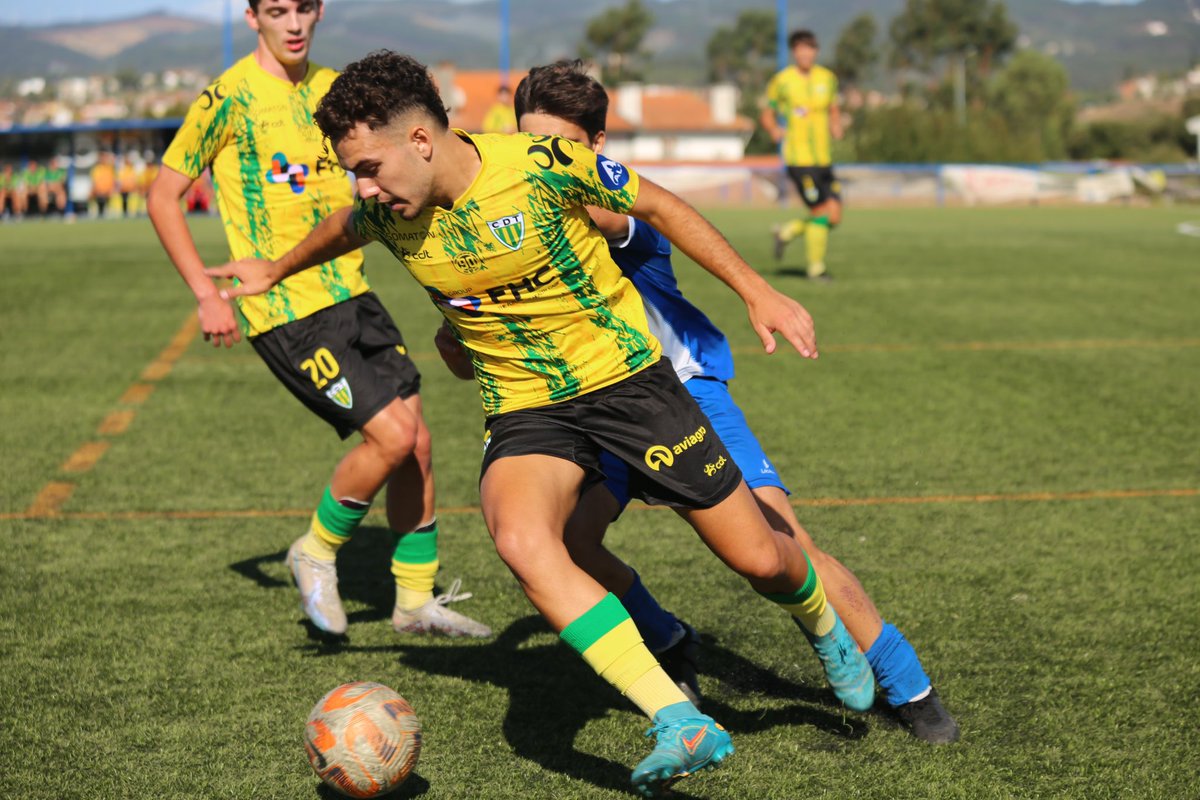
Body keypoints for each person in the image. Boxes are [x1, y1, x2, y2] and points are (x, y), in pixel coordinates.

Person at [206, 50, 875, 797]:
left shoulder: (542, 164)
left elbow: (658, 205)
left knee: (761, 560)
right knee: (522, 537)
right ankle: (679, 719)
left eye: (369, 166)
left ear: (421, 141)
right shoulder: (387, 210)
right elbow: (339, 226)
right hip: (528, 408)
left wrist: (758, 292)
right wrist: (275, 267)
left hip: (627, 383)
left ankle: (821, 623)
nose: (364, 188)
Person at [502, 60, 958, 743]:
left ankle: (906, 682)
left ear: (596, 148)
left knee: (777, 542)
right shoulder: (514, 221)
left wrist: (757, 291)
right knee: (566, 540)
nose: (540, 161)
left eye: (559, 148)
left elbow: (623, 214)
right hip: (594, 406)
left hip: (684, 393)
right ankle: (666, 639)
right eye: (528, 145)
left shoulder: (616, 210)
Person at [147, 1, 489, 640]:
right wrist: (206, 293)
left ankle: (414, 601)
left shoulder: (336, 93)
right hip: (284, 307)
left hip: (351, 291)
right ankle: (316, 549)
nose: (294, 22)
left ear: (320, 10)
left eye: (304, 7)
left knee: (415, 442)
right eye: (277, 10)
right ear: (253, 18)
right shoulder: (226, 97)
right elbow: (161, 196)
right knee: (389, 437)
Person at [761, 29, 843, 281]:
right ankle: (816, 269)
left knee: (834, 215)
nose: (806, 53)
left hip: (823, 158)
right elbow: (767, 112)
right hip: (799, 160)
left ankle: (786, 233)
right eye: (800, 49)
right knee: (820, 212)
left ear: (816, 51)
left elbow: (833, 108)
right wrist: (774, 129)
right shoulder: (782, 81)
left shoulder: (827, 78)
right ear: (794, 52)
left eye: (810, 48)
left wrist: (836, 124)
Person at [91, 153, 116, 218]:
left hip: (108, 193)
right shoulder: (96, 169)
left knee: (108, 212)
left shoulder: (110, 168)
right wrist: (97, 191)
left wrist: (111, 190)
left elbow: (113, 180)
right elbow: (95, 182)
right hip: (99, 193)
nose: (104, 159)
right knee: (100, 212)